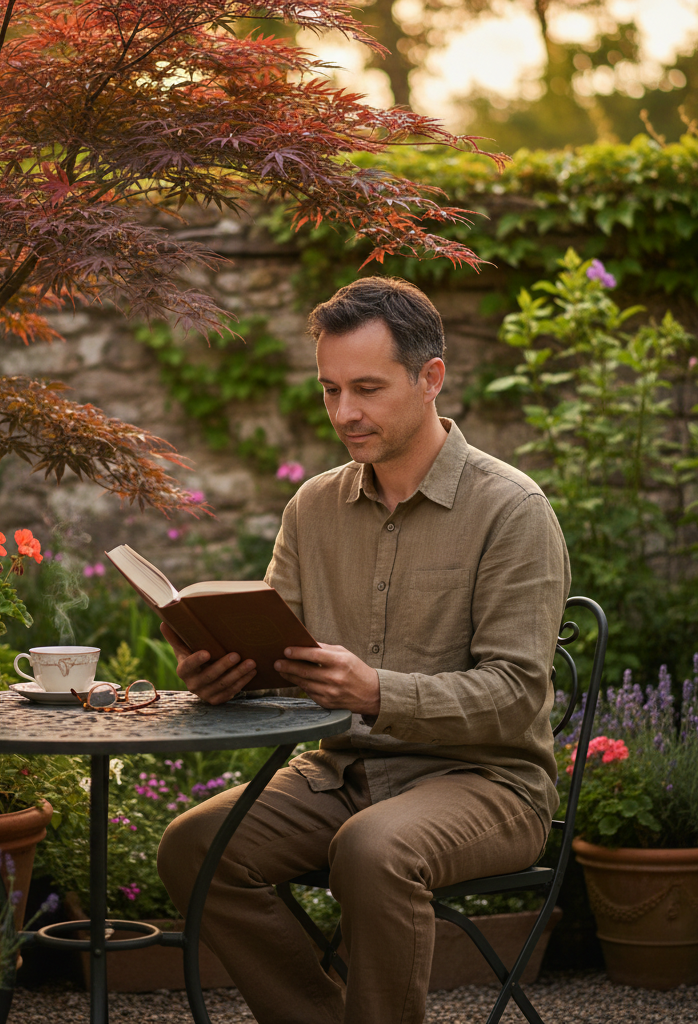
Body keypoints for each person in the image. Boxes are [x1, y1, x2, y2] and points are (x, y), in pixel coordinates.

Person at [156, 276, 571, 1024]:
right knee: (194, 847)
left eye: (369, 389)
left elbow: (514, 696)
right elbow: (284, 662)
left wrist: (377, 691)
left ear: (430, 378)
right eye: (330, 390)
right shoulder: (312, 508)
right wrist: (225, 676)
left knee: (373, 849)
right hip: (340, 772)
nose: (345, 413)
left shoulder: (513, 511)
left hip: (489, 782)